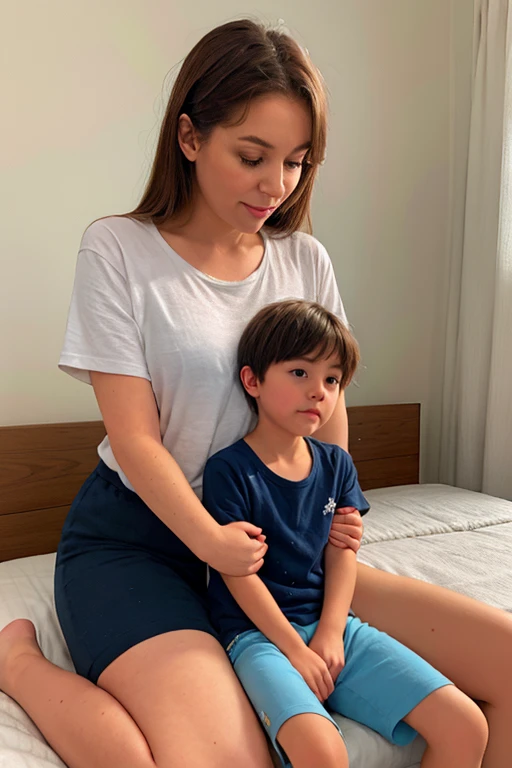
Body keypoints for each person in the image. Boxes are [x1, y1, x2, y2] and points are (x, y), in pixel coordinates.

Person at [0, 16, 510, 768]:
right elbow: (136, 439)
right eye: (253, 156)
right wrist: (214, 547)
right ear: (189, 138)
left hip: (281, 539)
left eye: (298, 162)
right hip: (146, 543)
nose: (278, 185)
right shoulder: (118, 248)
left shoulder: (304, 259)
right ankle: (21, 668)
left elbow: (325, 414)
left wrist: (337, 521)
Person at [203, 298, 488, 768]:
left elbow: (342, 551)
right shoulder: (229, 471)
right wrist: (295, 650)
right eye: (300, 373)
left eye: (332, 380)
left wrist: (332, 634)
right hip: (257, 636)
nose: (319, 391)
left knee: (465, 723)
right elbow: (238, 573)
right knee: (322, 752)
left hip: (334, 626)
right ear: (252, 380)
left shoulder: (336, 464)